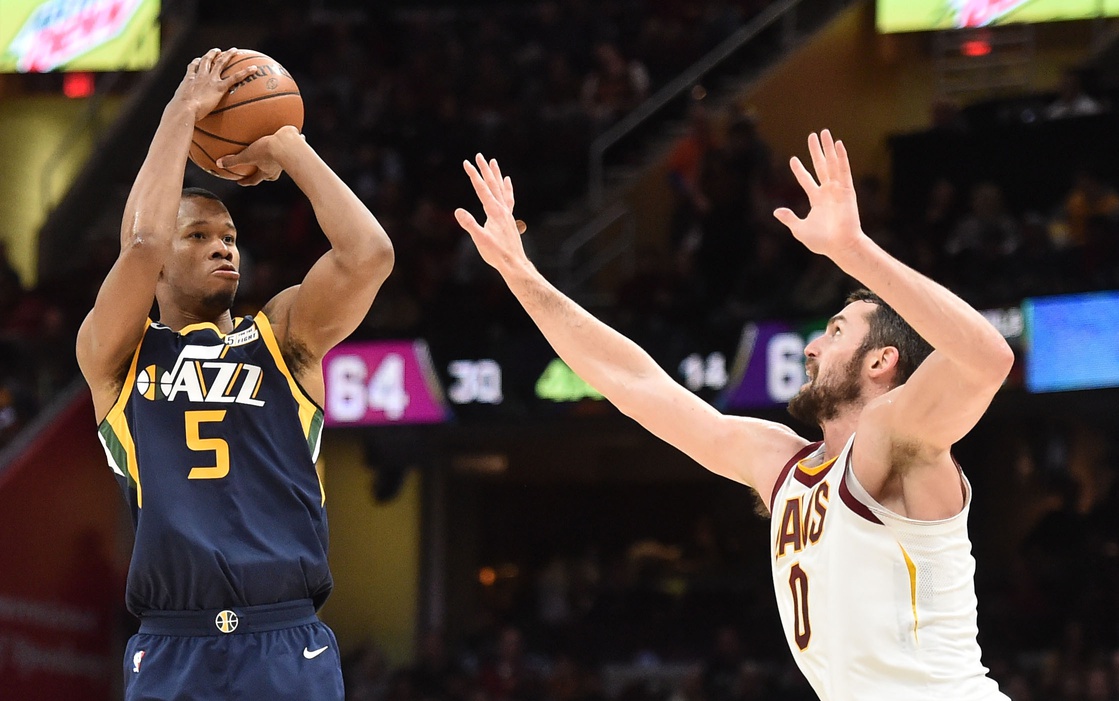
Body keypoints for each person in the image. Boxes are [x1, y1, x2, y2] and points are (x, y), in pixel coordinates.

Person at [453, 131, 1013, 700]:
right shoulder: (782, 465)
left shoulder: (897, 437)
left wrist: (852, 250)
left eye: (836, 332)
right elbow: (634, 381)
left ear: (881, 361)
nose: (812, 349)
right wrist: (522, 277)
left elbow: (987, 359)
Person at [75, 48, 394, 700]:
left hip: (286, 636)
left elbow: (370, 255)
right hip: (171, 641)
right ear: (163, 262)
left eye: (230, 236)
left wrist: (287, 145)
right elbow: (139, 243)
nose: (224, 243)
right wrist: (179, 113)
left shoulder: (281, 338)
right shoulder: (119, 356)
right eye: (198, 236)